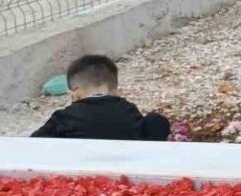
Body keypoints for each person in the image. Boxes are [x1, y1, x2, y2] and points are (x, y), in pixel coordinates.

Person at [31, 54, 170, 141]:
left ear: (74, 93)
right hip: (127, 168)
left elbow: (33, 144)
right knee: (155, 120)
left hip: (79, 174)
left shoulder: (63, 117)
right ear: (116, 91)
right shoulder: (128, 109)